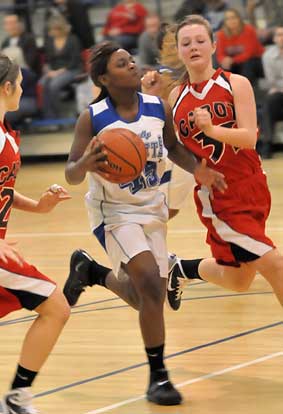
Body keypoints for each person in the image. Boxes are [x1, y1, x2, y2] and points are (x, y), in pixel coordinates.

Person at [63, 40, 226, 406]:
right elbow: (72, 172)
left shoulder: (156, 106)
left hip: (152, 210)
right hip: (114, 214)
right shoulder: (93, 117)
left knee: (144, 298)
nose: (134, 65)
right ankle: (159, 378)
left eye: (132, 60)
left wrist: (199, 170)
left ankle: (90, 272)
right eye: (123, 64)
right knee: (152, 284)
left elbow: (174, 148)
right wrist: (85, 164)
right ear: (105, 77)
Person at [152, 15, 283, 314]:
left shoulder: (236, 83)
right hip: (220, 197)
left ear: (214, 45)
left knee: (239, 279)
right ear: (179, 50)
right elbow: (174, 148)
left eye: (200, 41)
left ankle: (181, 269)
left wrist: (212, 130)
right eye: (186, 43)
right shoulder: (175, 96)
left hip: (254, 187)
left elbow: (249, 137)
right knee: (275, 264)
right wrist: (151, 97)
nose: (194, 47)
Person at [0, 54, 71, 413]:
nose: (24, 89)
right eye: (21, 83)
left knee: (55, 309)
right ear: (8, 87)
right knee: (56, 307)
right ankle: (16, 398)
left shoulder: (4, 132)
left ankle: (15, 398)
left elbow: (3, 191)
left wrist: (39, 206)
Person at [40, 14, 82, 119]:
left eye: (56, 29)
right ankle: (49, 116)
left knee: (54, 85)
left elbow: (75, 60)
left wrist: (59, 71)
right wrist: (48, 70)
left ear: (62, 29)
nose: (54, 32)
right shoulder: (49, 42)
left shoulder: (73, 39)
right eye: (52, 29)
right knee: (42, 83)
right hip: (54, 70)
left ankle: (59, 115)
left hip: (72, 69)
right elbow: (48, 60)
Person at [216, 8, 264, 87]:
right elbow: (220, 55)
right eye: (228, 19)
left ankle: (248, 91)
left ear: (239, 19)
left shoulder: (248, 30)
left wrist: (232, 60)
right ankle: (228, 94)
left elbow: (249, 53)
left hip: (255, 60)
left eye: (234, 17)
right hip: (235, 61)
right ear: (225, 22)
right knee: (222, 68)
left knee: (247, 65)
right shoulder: (221, 34)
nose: (231, 21)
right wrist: (224, 60)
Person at [260, 26, 283, 159]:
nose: (282, 38)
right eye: (279, 35)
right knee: (269, 102)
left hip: (279, 89)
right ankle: (267, 143)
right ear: (274, 39)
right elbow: (271, 81)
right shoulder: (267, 56)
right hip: (279, 94)